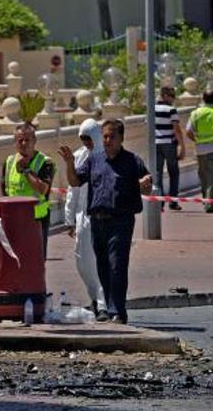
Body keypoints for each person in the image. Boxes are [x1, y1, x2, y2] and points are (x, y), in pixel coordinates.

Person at [58, 119, 152, 324]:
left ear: (121, 138)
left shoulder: (132, 160)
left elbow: (147, 185)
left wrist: (145, 184)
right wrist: (69, 164)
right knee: (102, 267)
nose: (108, 140)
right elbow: (75, 182)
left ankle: (117, 311)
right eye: (105, 136)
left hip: (121, 221)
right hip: (97, 221)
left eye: (112, 137)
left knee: (117, 265)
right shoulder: (93, 160)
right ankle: (109, 309)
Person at [64, 119, 108, 321]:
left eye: (88, 138)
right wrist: (70, 219)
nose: (86, 142)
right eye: (82, 139)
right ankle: (94, 298)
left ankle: (103, 304)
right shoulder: (79, 157)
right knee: (82, 262)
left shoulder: (107, 157)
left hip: (102, 217)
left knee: (101, 262)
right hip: (83, 218)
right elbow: (72, 190)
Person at [1, 124, 55, 258]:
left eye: (27, 140)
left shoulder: (45, 162)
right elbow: (5, 189)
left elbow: (43, 189)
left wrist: (26, 170)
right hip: (14, 219)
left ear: (34, 141)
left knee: (35, 263)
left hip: (36, 220)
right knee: (15, 261)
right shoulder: (9, 162)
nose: (24, 143)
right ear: (15, 142)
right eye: (20, 140)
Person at [154, 87, 184, 210]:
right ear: (165, 95)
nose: (173, 98)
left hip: (156, 144)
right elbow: (176, 128)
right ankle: (173, 201)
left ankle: (159, 203)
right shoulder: (171, 110)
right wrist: (182, 146)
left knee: (158, 173)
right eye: (172, 96)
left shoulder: (151, 109)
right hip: (169, 144)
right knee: (174, 172)